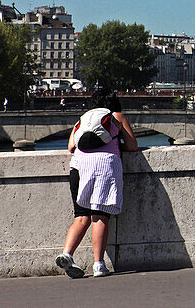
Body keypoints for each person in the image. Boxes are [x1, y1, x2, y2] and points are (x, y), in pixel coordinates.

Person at [56, 87, 138, 278]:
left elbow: (70, 146)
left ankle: (67, 253)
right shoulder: (116, 116)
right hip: (104, 167)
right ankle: (98, 264)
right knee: (100, 215)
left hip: (78, 167)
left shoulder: (83, 118)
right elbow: (133, 145)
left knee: (81, 215)